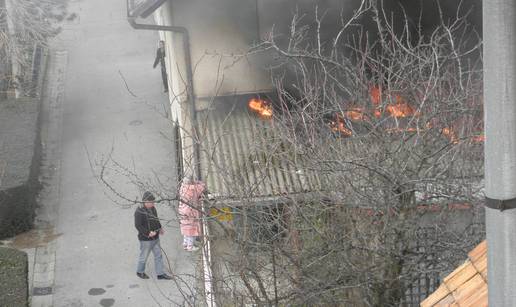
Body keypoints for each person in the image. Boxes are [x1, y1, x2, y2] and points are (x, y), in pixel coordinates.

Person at [134, 191, 172, 280]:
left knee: (158, 255)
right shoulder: (139, 211)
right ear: (146, 201)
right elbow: (138, 226)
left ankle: (160, 274)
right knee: (144, 256)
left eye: (153, 202)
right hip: (145, 240)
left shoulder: (153, 208)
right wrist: (148, 233)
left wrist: (160, 228)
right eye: (151, 202)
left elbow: (156, 219)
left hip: (156, 237)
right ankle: (140, 272)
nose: (153, 203)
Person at [178, 180, 205, 251]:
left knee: (186, 228)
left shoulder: (183, 188)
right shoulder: (193, 189)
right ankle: (190, 246)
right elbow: (201, 187)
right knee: (191, 230)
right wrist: (199, 182)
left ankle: (185, 243)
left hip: (182, 210)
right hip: (190, 212)